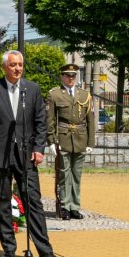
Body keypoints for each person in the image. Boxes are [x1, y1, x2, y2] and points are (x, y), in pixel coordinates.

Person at [0, 50, 60, 257]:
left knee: (33, 200)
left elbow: (41, 122)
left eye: (20, 64)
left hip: (26, 154)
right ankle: (9, 248)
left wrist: (39, 148)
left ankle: (44, 250)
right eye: (13, 65)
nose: (18, 69)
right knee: (3, 201)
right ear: (5, 67)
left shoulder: (32, 89)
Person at [46, 63, 96, 220]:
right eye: (68, 76)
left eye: (73, 76)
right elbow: (50, 120)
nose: (71, 78)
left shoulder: (84, 95)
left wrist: (90, 143)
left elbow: (90, 120)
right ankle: (65, 207)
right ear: (62, 77)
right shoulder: (55, 95)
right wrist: (51, 141)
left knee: (76, 175)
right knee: (64, 175)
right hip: (63, 138)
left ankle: (75, 207)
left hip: (81, 139)